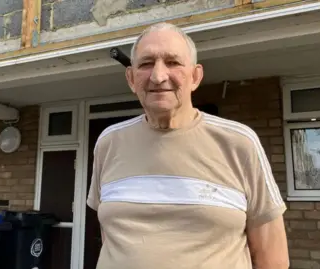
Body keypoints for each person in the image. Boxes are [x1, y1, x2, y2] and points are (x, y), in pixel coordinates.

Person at [86, 22, 289, 269]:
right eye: (146, 63)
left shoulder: (239, 143)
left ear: (195, 76)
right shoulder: (109, 143)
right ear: (131, 78)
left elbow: (272, 258)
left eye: (172, 63)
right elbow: (111, 235)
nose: (158, 76)